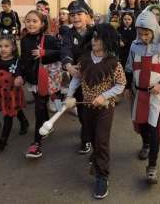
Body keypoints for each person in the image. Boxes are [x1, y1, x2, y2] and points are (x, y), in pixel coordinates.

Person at [64, 23, 126, 199]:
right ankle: (95, 151)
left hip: (105, 108)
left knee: (101, 140)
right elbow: (76, 79)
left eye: (97, 38)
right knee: (91, 136)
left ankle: (102, 176)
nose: (93, 41)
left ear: (106, 41)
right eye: (92, 37)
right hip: (86, 107)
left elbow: (121, 85)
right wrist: (69, 96)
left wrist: (104, 96)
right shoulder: (84, 58)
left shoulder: (113, 63)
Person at [124, 11, 160, 185]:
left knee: (154, 128)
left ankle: (152, 167)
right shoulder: (134, 47)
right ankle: (145, 144)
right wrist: (127, 87)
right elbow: (128, 68)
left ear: (154, 30)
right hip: (139, 94)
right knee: (142, 126)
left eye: (147, 33)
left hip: (155, 96)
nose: (143, 37)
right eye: (140, 34)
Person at [21, 10, 62, 158]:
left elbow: (61, 52)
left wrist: (44, 52)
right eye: (28, 21)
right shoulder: (24, 39)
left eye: (34, 21)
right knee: (41, 106)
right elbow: (23, 60)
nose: (31, 24)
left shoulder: (48, 39)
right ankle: (47, 126)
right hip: (32, 80)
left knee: (38, 108)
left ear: (42, 23)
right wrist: (21, 76)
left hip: (45, 79)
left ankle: (36, 144)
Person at [61, 0, 93, 154]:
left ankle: (88, 134)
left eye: (79, 14)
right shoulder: (68, 34)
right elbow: (65, 50)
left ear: (87, 16)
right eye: (72, 15)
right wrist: (68, 65)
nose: (75, 17)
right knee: (82, 109)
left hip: (95, 77)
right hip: (78, 76)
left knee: (92, 108)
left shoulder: (95, 32)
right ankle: (85, 134)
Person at [0, 35, 29, 151]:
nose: (3, 49)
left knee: (8, 114)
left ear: (13, 48)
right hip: (2, 92)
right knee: (15, 109)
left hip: (13, 92)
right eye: (0, 46)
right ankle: (24, 121)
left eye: (6, 46)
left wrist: (20, 79)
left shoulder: (17, 61)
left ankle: (2, 140)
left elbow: (20, 75)